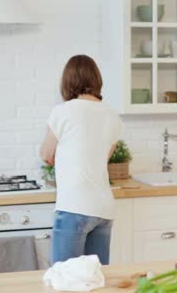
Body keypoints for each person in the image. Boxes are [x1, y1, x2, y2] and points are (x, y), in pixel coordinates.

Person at [40, 55, 123, 265]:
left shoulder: (63, 111)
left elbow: (46, 154)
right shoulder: (113, 116)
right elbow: (101, 158)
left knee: (64, 279)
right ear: (96, 80)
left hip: (73, 207)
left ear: (67, 81)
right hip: (103, 209)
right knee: (95, 279)